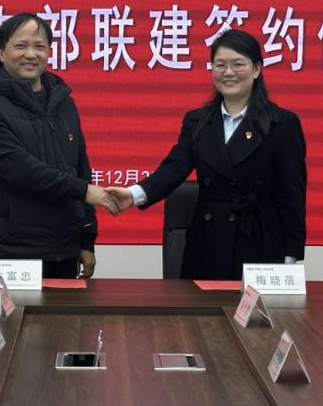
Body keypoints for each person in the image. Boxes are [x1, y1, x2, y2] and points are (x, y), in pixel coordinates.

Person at [105, 29, 306, 279]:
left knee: (255, 307)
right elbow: (173, 169)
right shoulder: (197, 122)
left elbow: (292, 194)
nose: (228, 72)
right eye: (220, 65)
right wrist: (133, 194)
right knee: (202, 305)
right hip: (208, 242)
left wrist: (290, 255)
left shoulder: (282, 123)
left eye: (238, 64)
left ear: (256, 69)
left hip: (260, 243)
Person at [0, 12, 114, 278]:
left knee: (65, 309)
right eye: (21, 46)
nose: (31, 54)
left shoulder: (63, 101)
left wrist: (86, 237)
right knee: (6, 310)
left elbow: (80, 168)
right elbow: (21, 170)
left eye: (39, 46)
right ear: (1, 52)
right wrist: (86, 191)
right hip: (8, 251)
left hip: (62, 249)